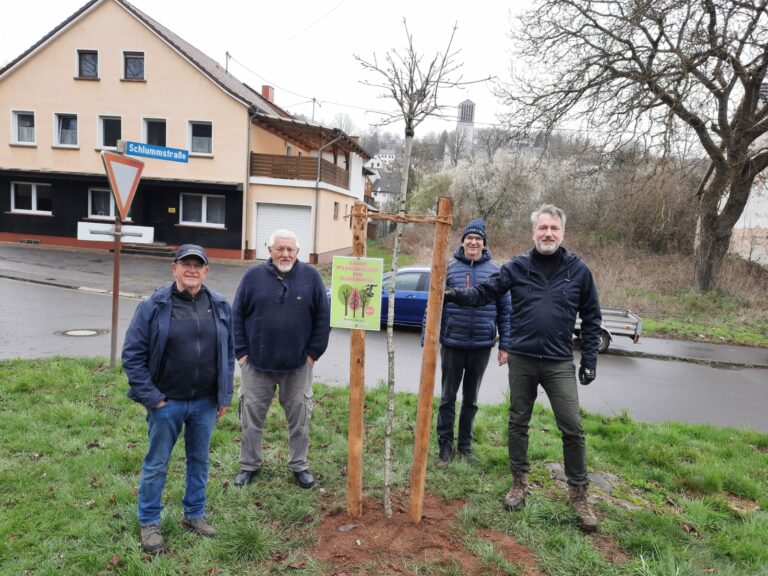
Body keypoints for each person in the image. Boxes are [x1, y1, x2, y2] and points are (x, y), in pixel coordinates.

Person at [445, 204, 602, 532]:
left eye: (554, 229)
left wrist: (589, 360)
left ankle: (579, 494)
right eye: (543, 228)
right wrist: (454, 294)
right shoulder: (517, 267)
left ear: (562, 233)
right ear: (533, 232)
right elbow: (486, 292)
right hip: (523, 359)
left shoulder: (578, 271)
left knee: (572, 427)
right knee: (518, 423)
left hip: (559, 361)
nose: (548, 234)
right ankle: (519, 482)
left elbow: (591, 317)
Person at [122, 244, 235, 553]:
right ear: (174, 268)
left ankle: (194, 514)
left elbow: (228, 354)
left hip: (205, 403)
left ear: (206, 271)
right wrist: (153, 399)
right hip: (166, 403)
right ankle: (149, 522)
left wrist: (224, 394)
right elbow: (132, 356)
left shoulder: (220, 306)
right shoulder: (154, 306)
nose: (192, 269)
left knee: (199, 461)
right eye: (186, 264)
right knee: (157, 463)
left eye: (198, 265)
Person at [232, 229, 330, 490]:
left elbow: (323, 318)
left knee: (299, 419)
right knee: (251, 419)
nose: (285, 254)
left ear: (298, 252)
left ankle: (300, 465)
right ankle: (249, 466)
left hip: (298, 366)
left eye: (290, 249)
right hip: (256, 365)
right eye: (280, 249)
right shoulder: (252, 276)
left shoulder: (311, 277)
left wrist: (311, 356)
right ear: (270, 250)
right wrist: (241, 355)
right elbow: (236, 316)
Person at [433, 219, 511, 468]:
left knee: (471, 399)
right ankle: (445, 447)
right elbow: (434, 304)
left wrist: (505, 345)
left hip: (480, 344)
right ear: (463, 241)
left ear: (484, 243)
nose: (474, 242)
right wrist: (429, 335)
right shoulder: (448, 268)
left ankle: (465, 447)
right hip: (452, 343)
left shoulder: (497, 271)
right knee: (447, 397)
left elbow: (505, 310)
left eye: (478, 238)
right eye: (470, 238)